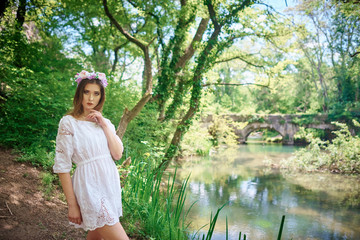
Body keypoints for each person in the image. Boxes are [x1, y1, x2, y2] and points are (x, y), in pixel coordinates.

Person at [53, 70, 129, 240]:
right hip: (89, 187)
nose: (91, 98)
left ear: (101, 97)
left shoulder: (105, 122)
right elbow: (62, 166)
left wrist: (103, 124)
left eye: (96, 94)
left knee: (96, 236)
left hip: (109, 186)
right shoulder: (69, 122)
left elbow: (117, 154)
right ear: (80, 93)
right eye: (86, 92)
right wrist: (72, 205)